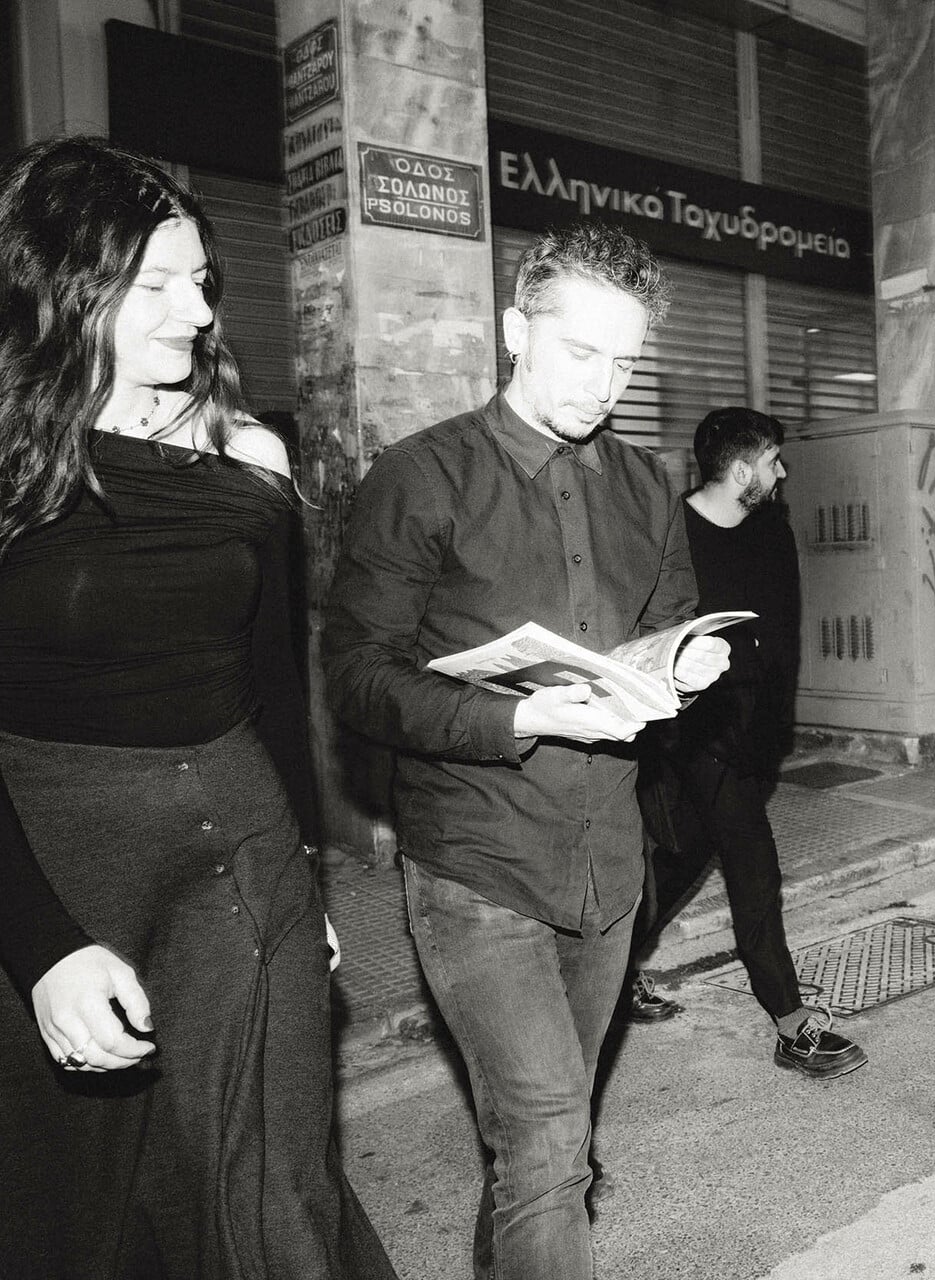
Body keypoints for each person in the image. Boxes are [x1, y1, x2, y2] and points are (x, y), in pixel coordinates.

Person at [0, 137, 396, 1277]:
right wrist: (40, 950)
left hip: (242, 851)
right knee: (78, 1204)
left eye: (204, 280)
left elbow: (272, 689)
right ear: (64, 289)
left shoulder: (249, 453)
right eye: (157, 284)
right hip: (55, 856)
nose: (200, 310)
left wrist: (305, 879)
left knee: (273, 1188)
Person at [321, 220, 727, 1280]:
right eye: (580, 351)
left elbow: (666, 627)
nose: (603, 384)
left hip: (606, 871)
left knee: (541, 1141)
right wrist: (519, 718)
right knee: (549, 1140)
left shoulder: (648, 487)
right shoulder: (421, 477)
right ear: (514, 330)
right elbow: (356, 675)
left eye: (625, 362)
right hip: (476, 864)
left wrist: (683, 666)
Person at [625, 407, 867, 1079]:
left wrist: (778, 728)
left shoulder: (770, 530)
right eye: (770, 462)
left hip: (757, 732)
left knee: (682, 857)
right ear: (739, 471)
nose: (781, 472)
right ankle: (791, 1023)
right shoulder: (668, 534)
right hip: (693, 733)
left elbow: (785, 633)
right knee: (754, 866)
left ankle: (610, 970)